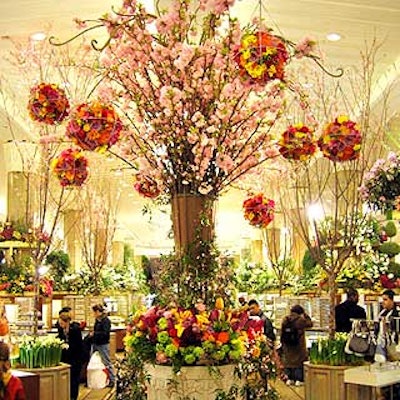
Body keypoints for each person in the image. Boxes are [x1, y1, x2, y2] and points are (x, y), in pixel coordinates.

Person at [280, 304, 313, 386]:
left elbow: (282, 332)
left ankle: (289, 378)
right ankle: (299, 379)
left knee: (288, 361)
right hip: (298, 345)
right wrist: (306, 315)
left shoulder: (285, 319)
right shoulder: (300, 320)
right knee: (299, 362)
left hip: (287, 345)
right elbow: (310, 324)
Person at [57, 310, 84, 400]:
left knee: (74, 379)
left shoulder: (75, 329)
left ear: (67, 322)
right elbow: (60, 338)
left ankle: (73, 397)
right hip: (66, 358)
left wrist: (68, 346)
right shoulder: (61, 329)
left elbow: (78, 345)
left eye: (61, 323)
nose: (60, 325)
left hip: (76, 358)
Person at [89, 304, 115, 387]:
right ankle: (91, 379)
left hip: (103, 344)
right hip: (95, 343)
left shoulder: (106, 321)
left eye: (94, 312)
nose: (93, 314)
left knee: (106, 361)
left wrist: (95, 334)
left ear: (97, 312)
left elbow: (105, 333)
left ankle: (112, 379)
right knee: (91, 361)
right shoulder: (98, 320)